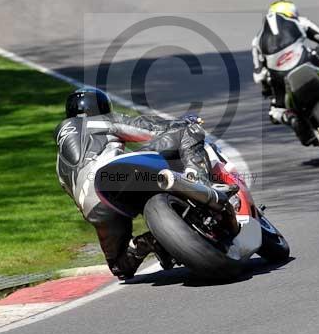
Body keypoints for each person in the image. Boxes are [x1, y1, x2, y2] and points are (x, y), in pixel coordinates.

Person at [54, 87, 210, 280]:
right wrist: (184, 121)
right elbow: (152, 128)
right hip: (115, 177)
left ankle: (146, 243)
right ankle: (201, 183)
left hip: (95, 208)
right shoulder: (100, 120)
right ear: (102, 107)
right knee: (188, 131)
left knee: (121, 268)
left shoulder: (59, 164)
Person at [251, 0, 319, 126]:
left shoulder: (257, 41)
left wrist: (266, 89)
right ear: (292, 13)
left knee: (275, 111)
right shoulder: (299, 21)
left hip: (279, 76)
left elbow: (258, 75)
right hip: (303, 60)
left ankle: (289, 118)